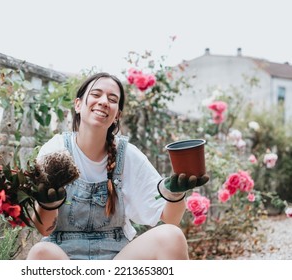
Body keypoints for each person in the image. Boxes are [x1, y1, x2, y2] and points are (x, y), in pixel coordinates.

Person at [27, 72, 209, 260]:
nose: (104, 101)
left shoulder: (128, 155)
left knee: (172, 236)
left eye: (112, 99)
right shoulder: (56, 149)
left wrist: (175, 193)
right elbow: (43, 227)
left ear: (117, 115)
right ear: (78, 104)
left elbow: (170, 219)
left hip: (117, 259)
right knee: (40, 252)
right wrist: (48, 204)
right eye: (96, 95)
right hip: (65, 256)